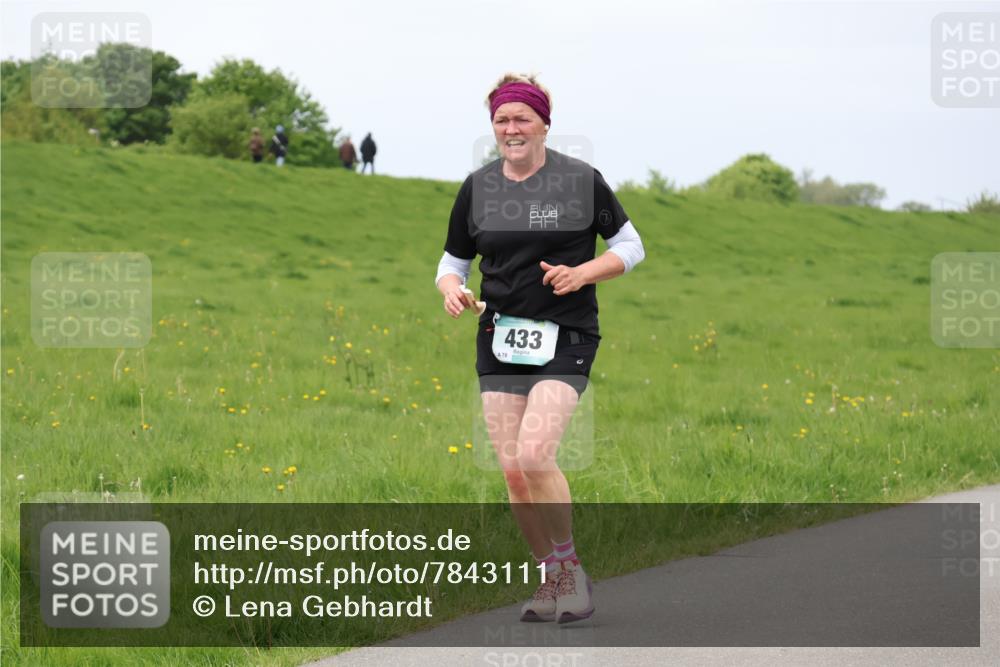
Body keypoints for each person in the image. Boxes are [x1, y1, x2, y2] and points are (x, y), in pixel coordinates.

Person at [434, 73, 645, 624]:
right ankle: (549, 575)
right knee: (510, 469)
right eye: (501, 120)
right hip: (500, 337)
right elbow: (453, 262)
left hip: (566, 335)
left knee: (534, 454)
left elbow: (630, 245)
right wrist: (453, 291)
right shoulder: (478, 188)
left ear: (544, 124)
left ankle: (571, 571)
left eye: (521, 118)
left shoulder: (580, 181)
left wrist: (582, 273)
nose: (511, 129)